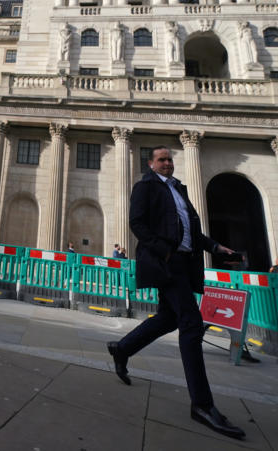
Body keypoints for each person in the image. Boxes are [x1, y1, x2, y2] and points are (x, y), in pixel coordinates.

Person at [106, 146, 244, 440]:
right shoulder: (145, 187)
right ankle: (202, 405)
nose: (167, 163)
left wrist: (217, 248)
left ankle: (122, 349)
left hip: (184, 262)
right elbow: (137, 223)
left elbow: (192, 229)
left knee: (169, 318)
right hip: (166, 263)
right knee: (191, 325)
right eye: (162, 159)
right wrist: (163, 252)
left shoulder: (179, 189)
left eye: (170, 159)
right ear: (151, 164)